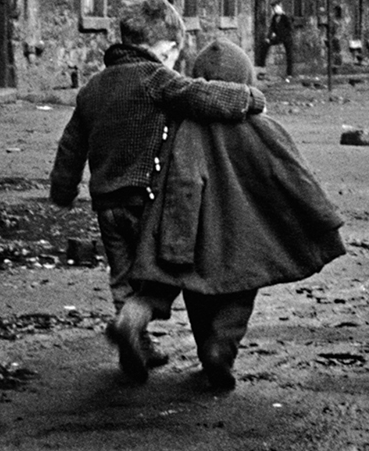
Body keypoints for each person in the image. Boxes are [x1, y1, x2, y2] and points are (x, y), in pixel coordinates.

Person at [48, 0, 266, 382]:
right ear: (166, 47)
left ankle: (136, 342)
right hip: (149, 199)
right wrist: (250, 98)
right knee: (157, 279)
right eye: (174, 54)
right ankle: (135, 327)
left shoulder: (93, 88)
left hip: (107, 204)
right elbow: (203, 96)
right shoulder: (157, 79)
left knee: (124, 276)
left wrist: (64, 190)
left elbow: (71, 146)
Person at [125, 37, 346, 390]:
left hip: (196, 230)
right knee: (239, 298)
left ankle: (180, 338)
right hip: (246, 235)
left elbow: (171, 173)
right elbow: (292, 174)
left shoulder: (185, 126)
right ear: (246, 80)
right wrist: (322, 216)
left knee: (197, 291)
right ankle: (220, 350)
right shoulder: (263, 128)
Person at [262, 0, 294, 76]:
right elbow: (271, 28)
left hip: (287, 38)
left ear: (280, 7)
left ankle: (289, 73)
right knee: (265, 44)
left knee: (289, 54)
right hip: (279, 37)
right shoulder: (274, 17)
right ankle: (262, 66)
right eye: (274, 8)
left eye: (276, 8)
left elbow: (290, 28)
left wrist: (285, 15)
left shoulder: (286, 17)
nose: (275, 10)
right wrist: (268, 37)